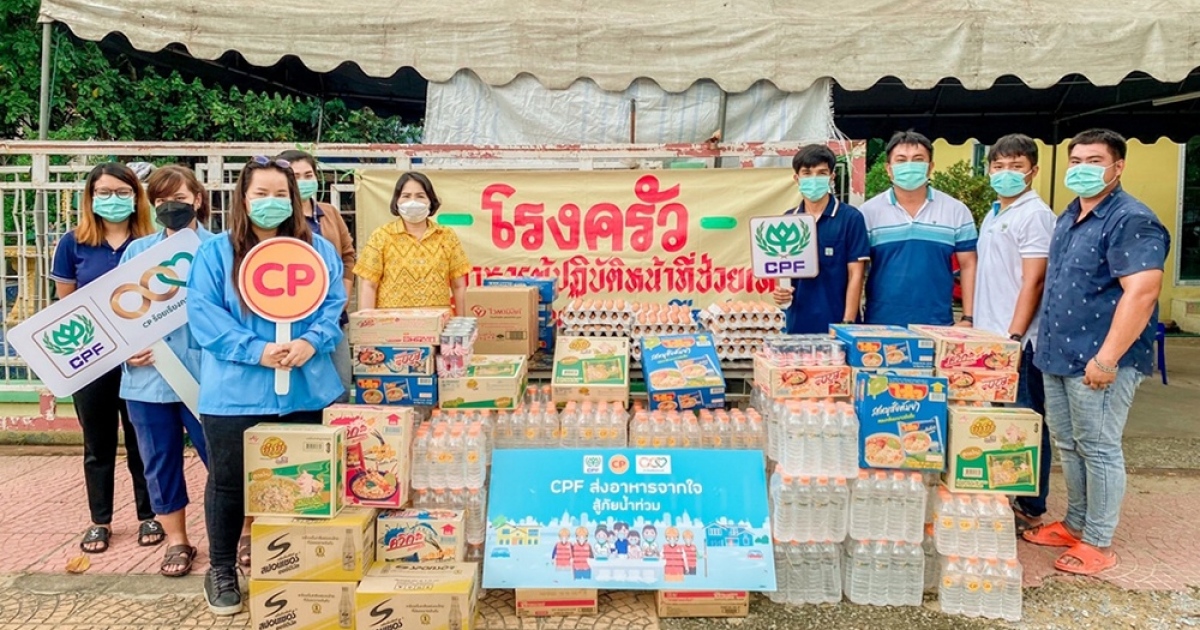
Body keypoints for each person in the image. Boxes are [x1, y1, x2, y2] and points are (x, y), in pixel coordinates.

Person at [188, 156, 346, 614]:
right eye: (261, 193)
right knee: (228, 483)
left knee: (305, 486)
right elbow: (203, 314)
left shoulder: (319, 251)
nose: (271, 202)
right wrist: (254, 349)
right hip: (235, 393)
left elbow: (333, 305)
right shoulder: (215, 253)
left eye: (281, 194)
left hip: (306, 388)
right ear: (243, 198)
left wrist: (311, 342)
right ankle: (221, 569)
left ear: (295, 200)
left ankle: (299, 569)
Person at [1023, 129, 1169, 576]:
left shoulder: (1131, 219)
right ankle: (1076, 523)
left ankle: (1099, 541)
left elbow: (1142, 292)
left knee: (1099, 447)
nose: (1082, 169)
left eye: (1094, 161)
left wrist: (1107, 358)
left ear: (1117, 167)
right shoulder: (1070, 216)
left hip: (1099, 358)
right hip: (1058, 354)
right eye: (1076, 161)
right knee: (1069, 444)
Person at [50, 163, 160, 554]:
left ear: (136, 196)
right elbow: (66, 306)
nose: (113, 199)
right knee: (97, 445)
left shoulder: (151, 242)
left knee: (142, 441)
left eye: (122, 192)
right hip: (93, 362)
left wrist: (145, 345)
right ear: (91, 197)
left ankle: (150, 515)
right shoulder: (73, 243)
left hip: (142, 360)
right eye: (104, 192)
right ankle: (100, 521)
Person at [120, 166, 216, 576]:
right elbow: (116, 313)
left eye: (179, 199)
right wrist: (126, 350)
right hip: (148, 379)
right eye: (161, 201)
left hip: (209, 377)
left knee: (224, 459)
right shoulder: (137, 252)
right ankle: (177, 541)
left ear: (198, 199)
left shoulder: (220, 248)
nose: (171, 207)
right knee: (159, 463)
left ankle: (242, 532)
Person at [973, 135, 1055, 533]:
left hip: (1017, 340)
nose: (1006, 173)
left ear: (1033, 171)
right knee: (1001, 423)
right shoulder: (995, 213)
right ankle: (1005, 494)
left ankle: (1030, 506)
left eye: (1016, 166)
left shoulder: (1034, 215)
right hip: (990, 336)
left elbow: (1034, 280)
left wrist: (1015, 335)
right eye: (999, 166)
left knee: (1023, 422)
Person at [860, 130, 979, 326]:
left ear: (930, 167)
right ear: (888, 168)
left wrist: (968, 317)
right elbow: (856, 271)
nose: (909, 166)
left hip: (938, 323)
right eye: (901, 160)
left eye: (918, 159)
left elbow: (969, 265)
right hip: (880, 324)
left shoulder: (956, 210)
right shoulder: (867, 213)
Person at [275, 150, 356, 402]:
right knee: (300, 387)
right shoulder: (277, 217)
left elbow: (348, 256)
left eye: (308, 175)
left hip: (332, 315)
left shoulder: (329, 213)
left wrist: (342, 296)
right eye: (295, 176)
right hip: (293, 317)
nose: (303, 181)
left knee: (341, 385)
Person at [771, 144, 871, 332]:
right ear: (797, 178)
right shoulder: (787, 221)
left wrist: (847, 324)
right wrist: (781, 293)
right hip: (796, 324)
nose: (814, 179)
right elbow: (782, 272)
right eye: (807, 173)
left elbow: (856, 274)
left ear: (832, 177)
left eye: (821, 173)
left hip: (838, 323)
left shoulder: (851, 218)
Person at [354, 172, 469, 314]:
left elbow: (458, 286)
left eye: (420, 196)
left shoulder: (446, 236)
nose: (413, 202)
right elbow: (369, 285)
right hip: (391, 323)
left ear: (430, 201)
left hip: (438, 323)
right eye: (406, 196)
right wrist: (367, 323)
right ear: (396, 201)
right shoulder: (381, 236)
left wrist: (461, 321)